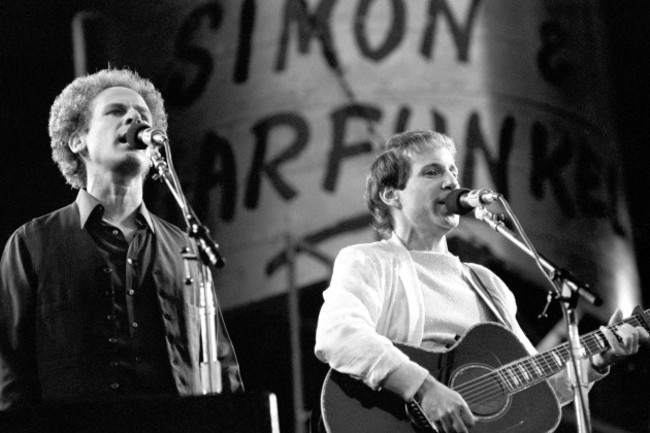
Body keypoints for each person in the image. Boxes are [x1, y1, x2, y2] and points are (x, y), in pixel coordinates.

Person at [314, 130, 649, 433]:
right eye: (432, 172)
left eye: (452, 171)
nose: (450, 182)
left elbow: (536, 388)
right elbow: (338, 335)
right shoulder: (369, 261)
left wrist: (596, 361)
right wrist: (425, 389)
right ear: (392, 196)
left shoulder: (486, 284)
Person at [0, 68, 242, 412]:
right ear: (77, 140)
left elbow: (222, 368)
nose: (134, 118)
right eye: (116, 112)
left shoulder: (185, 248)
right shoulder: (32, 244)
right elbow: (9, 375)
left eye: (143, 116)